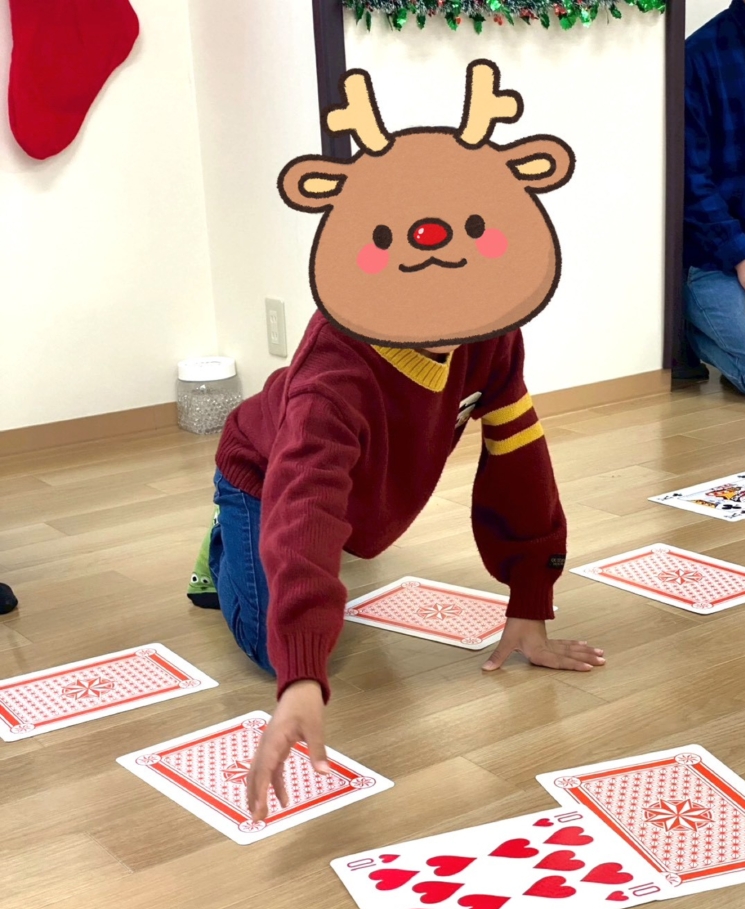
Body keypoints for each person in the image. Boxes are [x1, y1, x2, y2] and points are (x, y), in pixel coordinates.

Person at [190, 60, 605, 823]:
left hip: (358, 495)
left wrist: (530, 600)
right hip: (262, 471)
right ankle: (221, 540)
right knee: (274, 645)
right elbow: (305, 502)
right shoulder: (334, 375)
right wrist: (301, 680)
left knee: (346, 552)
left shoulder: (493, 334)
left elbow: (519, 460)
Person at [683, 0, 745, 400]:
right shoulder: (699, 56)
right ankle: (688, 332)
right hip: (721, 262)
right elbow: (690, 180)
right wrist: (744, 257)